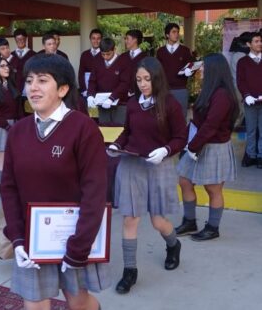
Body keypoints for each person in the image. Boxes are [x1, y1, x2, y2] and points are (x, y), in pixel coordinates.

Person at [0, 53, 110, 310]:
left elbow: (94, 191)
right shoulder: (18, 132)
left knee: (78, 301)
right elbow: (9, 188)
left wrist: (79, 247)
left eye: (42, 80)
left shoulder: (84, 129)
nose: (33, 88)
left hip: (73, 238)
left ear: (63, 88)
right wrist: (17, 238)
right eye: (29, 81)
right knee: (35, 303)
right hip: (32, 242)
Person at [108, 56, 187, 294]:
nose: (142, 84)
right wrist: (116, 145)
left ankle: (173, 245)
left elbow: (180, 138)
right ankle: (129, 271)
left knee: (157, 221)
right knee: (130, 219)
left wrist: (165, 150)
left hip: (158, 165)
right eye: (139, 79)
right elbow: (127, 132)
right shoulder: (132, 103)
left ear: (157, 78)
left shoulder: (170, 104)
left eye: (147, 79)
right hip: (132, 163)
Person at [176, 53, 239, 240]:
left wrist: (192, 147)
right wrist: (185, 143)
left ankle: (213, 228)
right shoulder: (209, 89)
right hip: (198, 143)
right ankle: (190, 222)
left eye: (203, 67)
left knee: (213, 190)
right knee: (184, 181)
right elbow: (197, 121)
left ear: (214, 70)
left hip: (213, 147)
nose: (200, 70)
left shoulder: (222, 96)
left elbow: (210, 126)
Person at [87, 37, 131, 125]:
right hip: (101, 103)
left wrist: (112, 98)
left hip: (120, 103)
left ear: (114, 49)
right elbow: (92, 80)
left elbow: (125, 83)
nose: (105, 57)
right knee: (103, 127)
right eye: (103, 54)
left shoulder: (123, 61)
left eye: (108, 54)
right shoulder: (97, 60)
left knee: (120, 128)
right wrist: (90, 95)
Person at [156, 23, 193, 118]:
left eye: (178, 32)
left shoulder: (185, 50)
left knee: (181, 117)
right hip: (164, 90)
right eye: (174, 32)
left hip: (181, 89)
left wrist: (190, 71)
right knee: (165, 118)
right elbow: (157, 70)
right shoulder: (160, 52)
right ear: (167, 35)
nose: (177, 34)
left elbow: (191, 65)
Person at [236, 32, 262, 168]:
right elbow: (240, 81)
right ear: (248, 44)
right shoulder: (242, 62)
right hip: (250, 102)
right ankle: (251, 155)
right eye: (256, 41)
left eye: (260, 41)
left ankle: (260, 157)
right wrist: (246, 95)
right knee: (251, 130)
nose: (260, 43)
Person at [120, 29, 147, 95]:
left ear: (135, 40)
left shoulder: (145, 58)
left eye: (127, 39)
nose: (125, 41)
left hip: (141, 94)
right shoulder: (122, 57)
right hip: (123, 95)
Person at [78, 28, 103, 97]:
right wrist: (83, 90)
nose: (96, 41)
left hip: (101, 90)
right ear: (90, 39)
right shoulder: (84, 54)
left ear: (101, 40)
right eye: (93, 38)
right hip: (86, 88)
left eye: (98, 38)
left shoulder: (105, 54)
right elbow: (81, 73)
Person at [12, 28, 36, 96]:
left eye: (22, 38)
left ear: (26, 39)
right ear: (15, 40)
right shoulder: (11, 55)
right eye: (18, 39)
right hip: (14, 88)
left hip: (29, 87)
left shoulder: (33, 55)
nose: (20, 41)